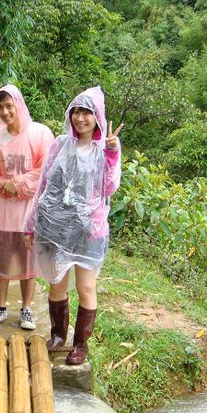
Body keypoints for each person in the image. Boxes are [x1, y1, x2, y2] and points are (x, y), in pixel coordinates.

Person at [24, 86, 122, 364]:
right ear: (70, 114)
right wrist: (31, 225)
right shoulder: (60, 144)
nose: (80, 118)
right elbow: (44, 185)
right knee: (56, 284)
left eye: (87, 112)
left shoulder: (106, 148)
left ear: (97, 117)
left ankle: (81, 345)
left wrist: (112, 154)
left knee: (86, 288)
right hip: (56, 228)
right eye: (76, 111)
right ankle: (58, 336)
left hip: (89, 231)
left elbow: (110, 187)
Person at [0, 84, 54, 330]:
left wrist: (18, 182)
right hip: (1, 209)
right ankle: (1, 307)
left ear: (18, 105)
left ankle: (26, 308)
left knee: (27, 260)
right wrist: (5, 185)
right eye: (0, 107)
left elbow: (47, 167)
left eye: (9, 105)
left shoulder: (40, 133)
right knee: (1, 258)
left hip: (28, 212)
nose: (5, 111)